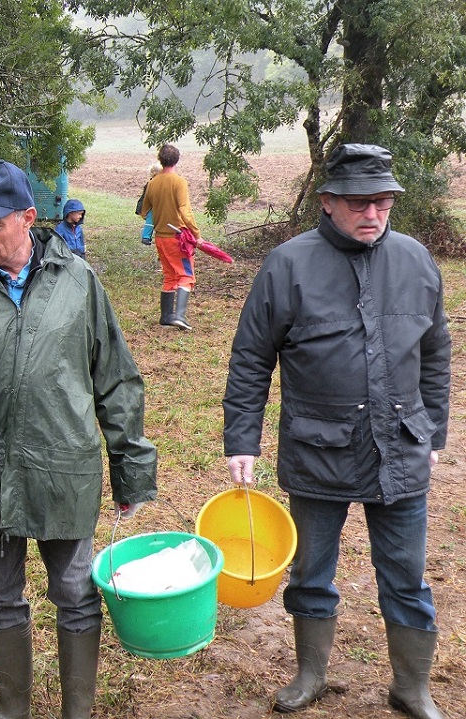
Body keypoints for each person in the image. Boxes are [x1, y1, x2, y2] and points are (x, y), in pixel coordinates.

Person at [0, 160, 158, 719]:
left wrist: (130, 467)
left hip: (64, 470)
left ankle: (78, 711)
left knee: (75, 594)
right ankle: (12, 708)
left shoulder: (78, 281)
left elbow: (114, 378)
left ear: (27, 218)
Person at [222, 144, 450, 719]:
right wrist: (242, 439)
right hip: (317, 449)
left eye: (382, 202)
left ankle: (411, 687)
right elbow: (252, 357)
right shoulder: (288, 264)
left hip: (400, 448)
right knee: (311, 571)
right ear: (327, 202)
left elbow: (435, 355)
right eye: (358, 203)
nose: (372, 213)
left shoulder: (417, 261)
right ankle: (310, 674)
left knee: (406, 573)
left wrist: (435, 434)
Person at [137, 144, 202, 330]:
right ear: (177, 160)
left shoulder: (152, 183)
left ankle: (166, 317)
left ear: (161, 159)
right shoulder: (179, 182)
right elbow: (185, 211)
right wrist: (196, 234)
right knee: (186, 276)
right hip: (177, 237)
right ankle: (179, 317)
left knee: (170, 276)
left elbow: (144, 211)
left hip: (160, 237)